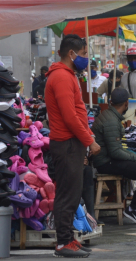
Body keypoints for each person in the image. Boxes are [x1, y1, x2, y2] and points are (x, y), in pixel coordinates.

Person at [45, 34, 101, 258]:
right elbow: (70, 117)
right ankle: (63, 243)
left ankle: (68, 239)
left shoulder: (68, 75)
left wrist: (86, 136)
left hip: (72, 142)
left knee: (72, 192)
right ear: (72, 54)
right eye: (85, 54)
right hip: (66, 143)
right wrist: (90, 141)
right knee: (67, 194)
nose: (86, 58)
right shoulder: (61, 77)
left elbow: (77, 112)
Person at [91, 88, 136, 225]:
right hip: (106, 163)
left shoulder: (109, 115)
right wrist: (134, 158)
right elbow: (115, 152)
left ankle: (135, 208)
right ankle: (134, 208)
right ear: (126, 104)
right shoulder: (111, 121)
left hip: (109, 159)